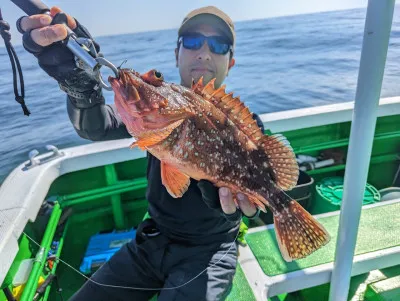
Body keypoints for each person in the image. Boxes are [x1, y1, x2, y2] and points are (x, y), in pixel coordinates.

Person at [18, 5, 265, 301]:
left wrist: (249, 203)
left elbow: (266, 186)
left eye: (218, 45)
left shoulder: (246, 130)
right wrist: (81, 88)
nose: (203, 52)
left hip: (210, 251)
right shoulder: (159, 109)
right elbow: (98, 126)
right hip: (150, 240)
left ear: (231, 61)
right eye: (192, 41)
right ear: (177, 53)